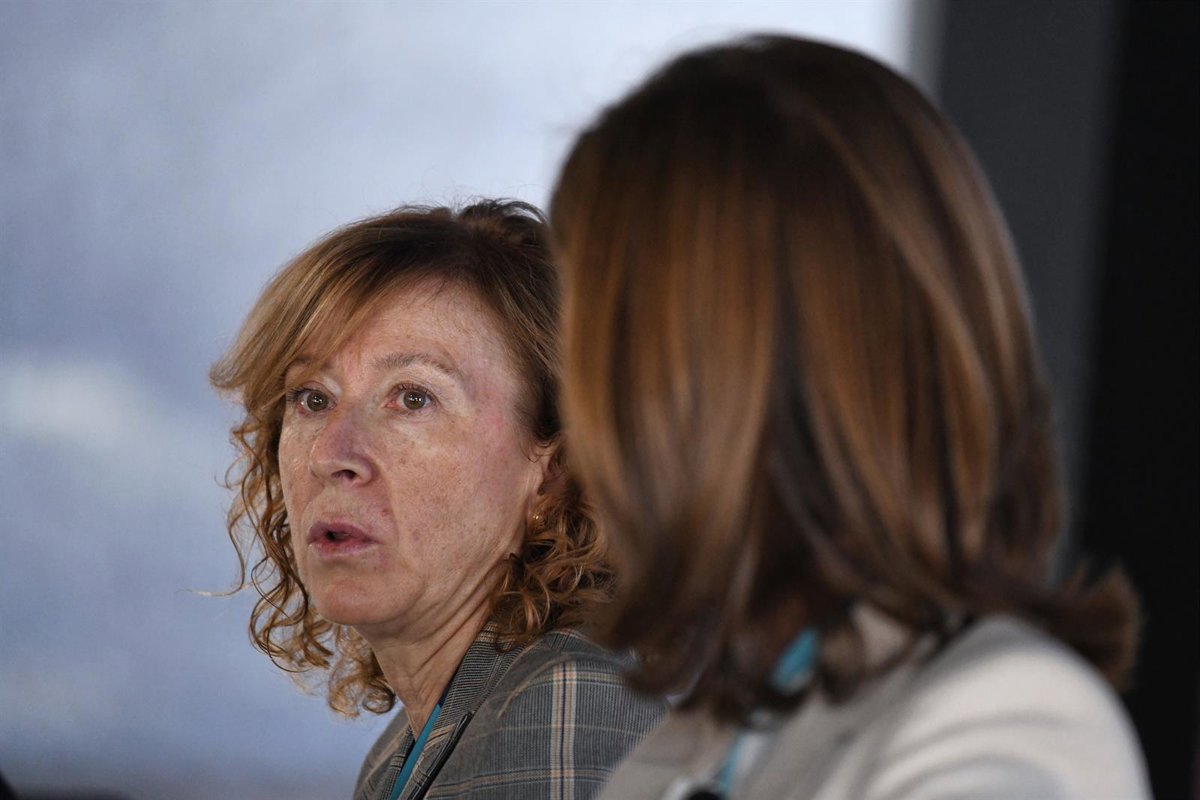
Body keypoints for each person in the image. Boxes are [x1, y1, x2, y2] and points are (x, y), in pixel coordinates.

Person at [550, 36, 1149, 799]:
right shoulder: (696, 741)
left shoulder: (1003, 716)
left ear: (715, 375)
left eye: (595, 342)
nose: (577, 407)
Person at [210, 200, 665, 800]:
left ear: (555, 471)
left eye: (413, 398)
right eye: (313, 398)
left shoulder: (565, 709)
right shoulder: (413, 744)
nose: (330, 453)